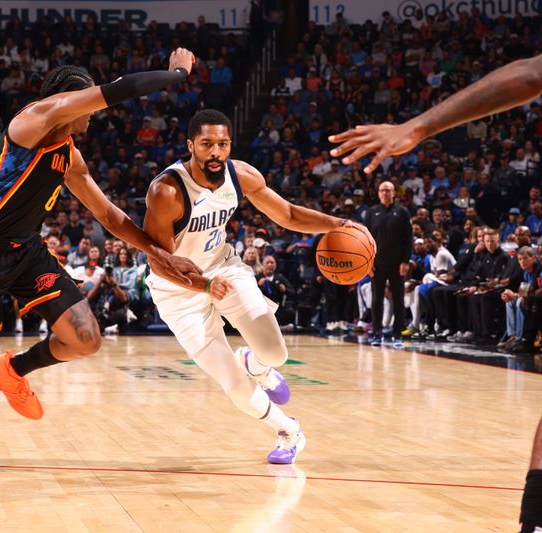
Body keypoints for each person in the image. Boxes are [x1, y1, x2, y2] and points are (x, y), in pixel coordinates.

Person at [0, 50, 203, 471]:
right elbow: (119, 90)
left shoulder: (69, 155)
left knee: (85, 339)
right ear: (71, 100)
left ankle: (15, 370)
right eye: (88, 105)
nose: (93, 115)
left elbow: (110, 216)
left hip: (26, 249)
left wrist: (159, 253)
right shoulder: (36, 119)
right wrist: (178, 73)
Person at [328, 51, 542, 533]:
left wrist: (420, 125)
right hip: (377, 264)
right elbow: (531, 73)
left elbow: (531, 73)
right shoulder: (373, 215)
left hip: (395, 262)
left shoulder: (400, 216)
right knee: (383, 297)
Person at [143, 110, 375, 464]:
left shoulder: (242, 175)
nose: (216, 152)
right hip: (179, 292)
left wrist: (341, 224)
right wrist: (203, 285)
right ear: (191, 146)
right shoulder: (167, 191)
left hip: (225, 269)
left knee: (276, 354)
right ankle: (290, 432)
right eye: (207, 144)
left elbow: (289, 215)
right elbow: (158, 261)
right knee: (232, 384)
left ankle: (257, 364)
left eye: (222, 144)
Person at [361, 181, 412, 347]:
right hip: (377, 264)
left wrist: (405, 260)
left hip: (397, 263)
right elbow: (365, 240)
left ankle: (397, 334)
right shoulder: (370, 212)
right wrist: (367, 263)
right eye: (382, 190)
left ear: (394, 192)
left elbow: (408, 238)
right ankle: (377, 332)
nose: (385, 193)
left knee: (398, 299)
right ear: (378, 193)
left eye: (388, 190)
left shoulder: (402, 212)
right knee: (376, 299)